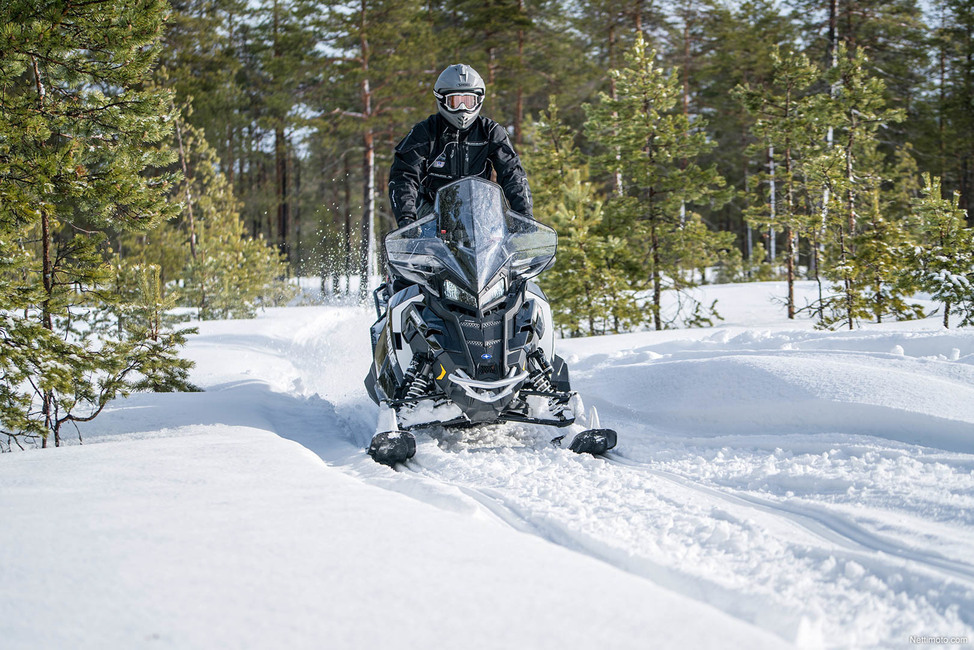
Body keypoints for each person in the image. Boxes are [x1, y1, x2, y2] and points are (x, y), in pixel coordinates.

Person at [388, 63, 533, 228]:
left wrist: (524, 214)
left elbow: (512, 173)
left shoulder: (490, 132)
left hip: (480, 212)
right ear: (442, 100)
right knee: (425, 239)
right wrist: (407, 218)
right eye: (455, 101)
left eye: (469, 101)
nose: (463, 109)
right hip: (432, 212)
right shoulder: (425, 132)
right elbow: (405, 175)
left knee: (496, 241)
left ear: (479, 101)